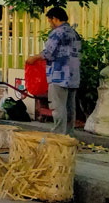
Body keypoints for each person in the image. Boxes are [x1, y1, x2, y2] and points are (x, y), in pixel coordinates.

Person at [26, 7, 81, 135]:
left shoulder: (57, 33)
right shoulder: (74, 33)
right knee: (70, 108)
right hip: (73, 75)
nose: (50, 24)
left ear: (55, 19)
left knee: (58, 107)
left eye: (50, 21)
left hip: (59, 75)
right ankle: (69, 134)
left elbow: (48, 53)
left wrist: (34, 58)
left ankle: (58, 135)